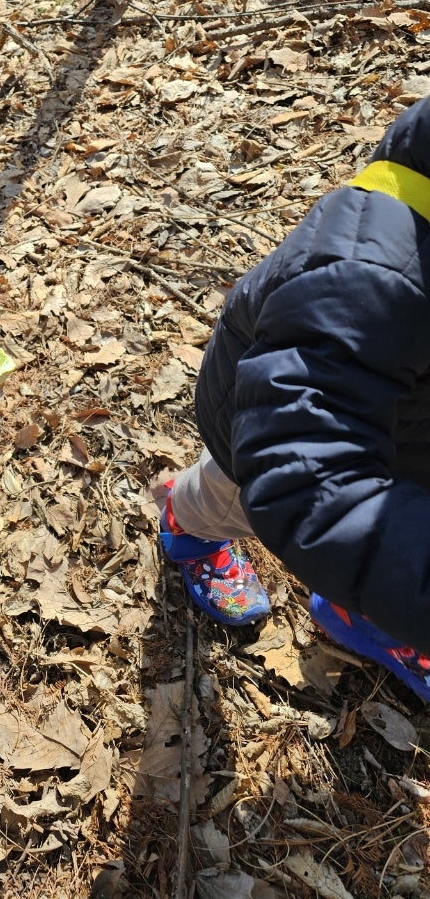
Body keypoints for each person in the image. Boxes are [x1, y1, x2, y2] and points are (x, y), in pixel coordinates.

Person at [160, 96, 430, 701]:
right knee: (225, 497)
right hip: (264, 429)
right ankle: (185, 522)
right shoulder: (370, 268)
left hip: (405, 447)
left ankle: (363, 614)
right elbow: (305, 471)